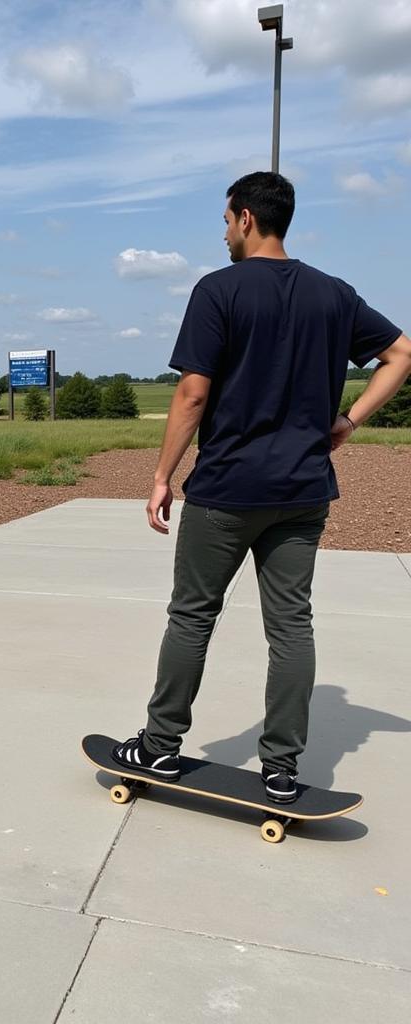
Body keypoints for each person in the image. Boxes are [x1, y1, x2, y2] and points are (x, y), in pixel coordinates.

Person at [113, 171, 411, 804]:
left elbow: (193, 393)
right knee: (292, 628)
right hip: (302, 493)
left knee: (192, 617)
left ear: (246, 218)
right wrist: (347, 423)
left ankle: (159, 746)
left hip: (225, 490)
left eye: (225, 220)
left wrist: (162, 476)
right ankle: (281, 769)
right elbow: (403, 355)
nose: (224, 231)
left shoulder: (218, 290)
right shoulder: (335, 295)